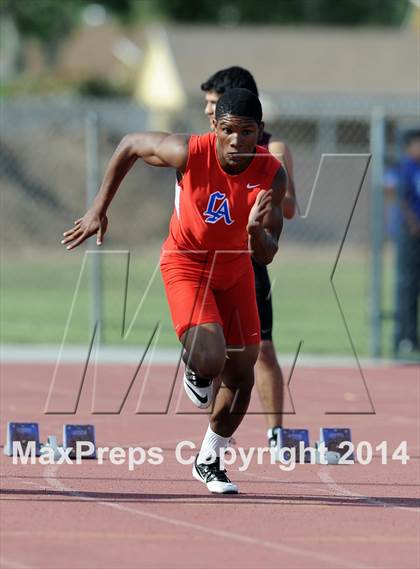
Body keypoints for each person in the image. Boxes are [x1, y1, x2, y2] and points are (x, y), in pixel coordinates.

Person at [61, 88, 287, 493]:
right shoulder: (188, 152)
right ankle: (198, 367)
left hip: (235, 269)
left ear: (260, 132)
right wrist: (99, 207)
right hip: (187, 263)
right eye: (229, 131)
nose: (238, 141)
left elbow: (268, 254)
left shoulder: (271, 173)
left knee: (242, 375)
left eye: (248, 132)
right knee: (213, 357)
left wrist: (255, 233)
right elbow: (130, 143)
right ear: (214, 128)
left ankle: (209, 459)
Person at [200, 67, 296, 452]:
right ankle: (216, 435)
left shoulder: (272, 152)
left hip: (250, 262)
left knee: (262, 350)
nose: (209, 112)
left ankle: (275, 434)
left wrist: (267, 198)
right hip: (208, 261)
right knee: (213, 350)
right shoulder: (208, 146)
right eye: (209, 106)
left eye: (213, 104)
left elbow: (288, 210)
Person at [394, 129, 420, 358]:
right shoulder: (406, 168)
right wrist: (413, 223)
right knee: (408, 285)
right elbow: (402, 199)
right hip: (410, 234)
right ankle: (405, 337)